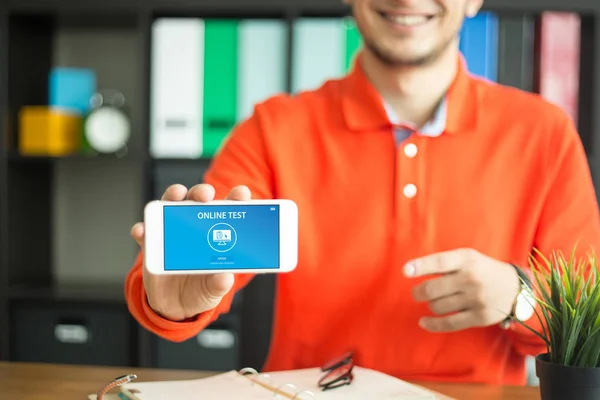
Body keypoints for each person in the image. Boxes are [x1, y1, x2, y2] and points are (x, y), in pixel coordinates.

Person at [125, 0, 600, 386]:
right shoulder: (274, 129)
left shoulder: (544, 133)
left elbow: (590, 315)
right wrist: (172, 301)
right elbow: (197, 267)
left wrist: (520, 297)